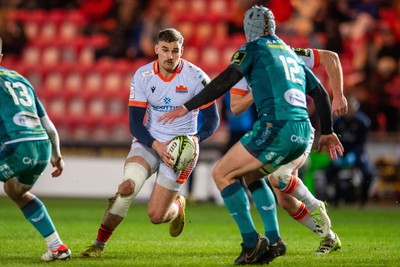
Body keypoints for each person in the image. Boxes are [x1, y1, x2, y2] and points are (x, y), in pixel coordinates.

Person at [159, 6, 344, 265]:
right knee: (254, 173)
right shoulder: (289, 52)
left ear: (248, 29)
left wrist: (187, 105)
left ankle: (251, 243)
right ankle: (274, 240)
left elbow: (224, 81)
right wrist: (328, 131)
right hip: (303, 130)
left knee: (221, 173)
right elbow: (321, 93)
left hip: (277, 127)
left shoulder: (253, 50)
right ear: (273, 26)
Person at [80, 28, 220, 258]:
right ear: (156, 49)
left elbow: (212, 120)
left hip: (181, 152)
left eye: (175, 51)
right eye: (164, 50)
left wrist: (195, 140)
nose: (170, 56)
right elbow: (135, 123)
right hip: (149, 143)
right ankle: (98, 244)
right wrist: (156, 145)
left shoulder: (197, 77)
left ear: (182, 51)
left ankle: (177, 207)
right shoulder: (143, 75)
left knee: (156, 216)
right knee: (127, 187)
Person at [230, 47, 345, 260]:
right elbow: (235, 107)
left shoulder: (286, 53)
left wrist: (338, 97)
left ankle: (314, 205)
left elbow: (331, 58)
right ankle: (329, 236)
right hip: (270, 132)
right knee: (286, 200)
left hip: (297, 128)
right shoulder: (245, 61)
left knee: (278, 178)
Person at [0, 38, 70, 261]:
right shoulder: (20, 79)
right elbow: (48, 124)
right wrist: (57, 155)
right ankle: (57, 246)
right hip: (41, 148)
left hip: (16, 147)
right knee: (14, 191)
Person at [325, 95, 374, 207]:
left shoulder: (362, 122)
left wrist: (354, 155)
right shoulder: (337, 121)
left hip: (356, 153)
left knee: (368, 173)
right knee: (329, 172)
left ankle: (363, 201)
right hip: (341, 153)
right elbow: (333, 140)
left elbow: (362, 143)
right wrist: (337, 155)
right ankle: (334, 199)